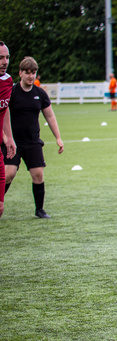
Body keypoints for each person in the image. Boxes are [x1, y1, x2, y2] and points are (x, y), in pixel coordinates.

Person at [2, 56, 63, 219]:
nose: (31, 76)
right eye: (27, 72)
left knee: (38, 175)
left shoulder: (40, 94)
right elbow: (3, 113)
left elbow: (50, 116)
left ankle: (39, 209)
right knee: (9, 173)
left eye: (33, 72)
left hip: (33, 142)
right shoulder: (12, 91)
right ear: (20, 73)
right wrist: (5, 137)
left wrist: (58, 137)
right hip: (13, 142)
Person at [0, 41, 18, 220]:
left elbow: (4, 109)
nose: (5, 61)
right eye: (0, 58)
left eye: (7, 57)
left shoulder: (7, 81)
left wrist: (9, 137)